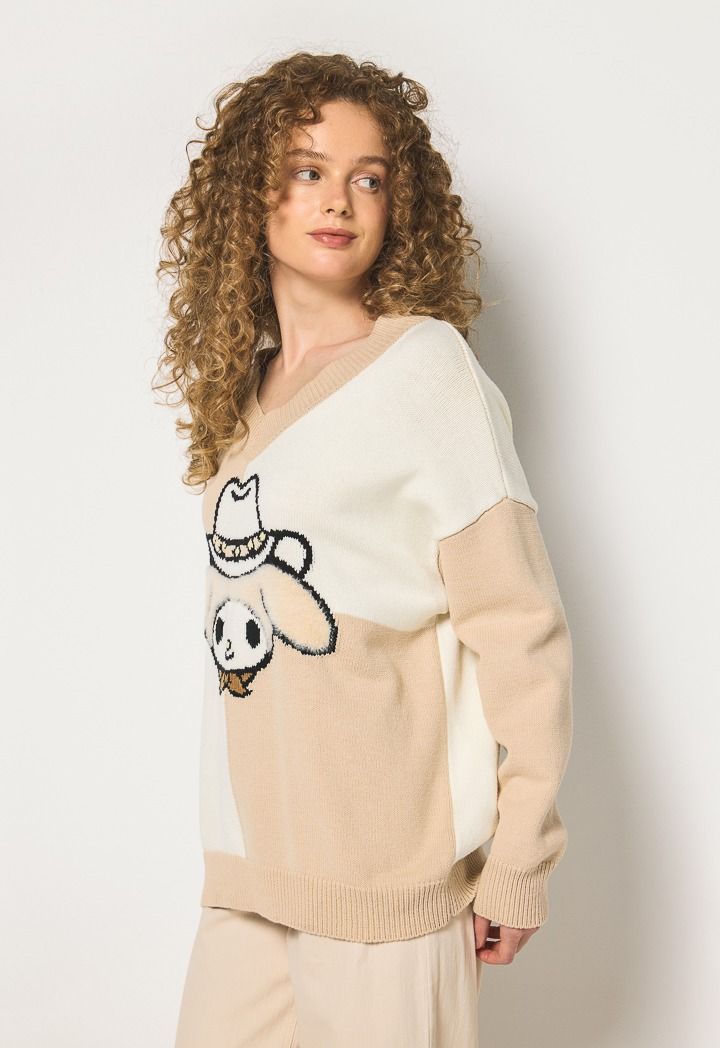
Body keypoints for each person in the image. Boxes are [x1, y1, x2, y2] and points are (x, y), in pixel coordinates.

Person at [154, 49, 574, 1048]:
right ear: (250, 193)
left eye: (369, 178)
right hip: (253, 873)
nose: (339, 200)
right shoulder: (247, 396)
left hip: (388, 884)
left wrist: (521, 855)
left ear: (400, 204)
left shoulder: (427, 371)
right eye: (307, 170)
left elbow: (521, 631)